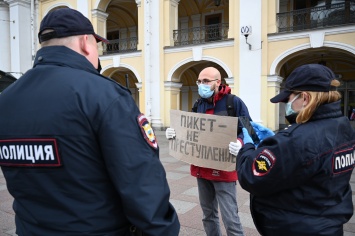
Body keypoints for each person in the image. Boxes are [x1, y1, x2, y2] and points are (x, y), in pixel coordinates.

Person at [0, 8, 179, 236]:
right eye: (97, 45)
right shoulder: (106, 96)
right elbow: (142, 185)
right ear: (86, 42)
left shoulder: (5, 100)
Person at [236, 64, 355, 235]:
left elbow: (251, 176)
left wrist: (246, 147)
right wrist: (275, 144)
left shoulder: (297, 139)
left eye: (287, 99)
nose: (286, 104)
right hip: (328, 223)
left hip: (297, 227)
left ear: (305, 98)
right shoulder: (343, 125)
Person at [166, 66, 251, 236]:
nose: (201, 84)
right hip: (201, 169)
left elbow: (250, 129)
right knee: (208, 216)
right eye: (199, 81)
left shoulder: (233, 102)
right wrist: (175, 134)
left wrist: (240, 142)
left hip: (223, 170)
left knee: (230, 218)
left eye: (206, 81)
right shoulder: (199, 104)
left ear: (218, 82)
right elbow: (191, 132)